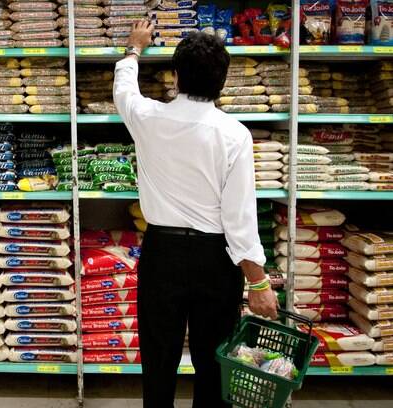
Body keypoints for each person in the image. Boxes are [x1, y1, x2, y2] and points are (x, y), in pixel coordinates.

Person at [113, 22, 279, 408]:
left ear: (175, 77)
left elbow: (124, 91)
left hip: (161, 253)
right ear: (222, 81)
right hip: (215, 261)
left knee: (159, 359)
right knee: (213, 361)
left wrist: (134, 49)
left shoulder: (148, 118)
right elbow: (239, 218)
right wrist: (257, 282)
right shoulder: (234, 134)